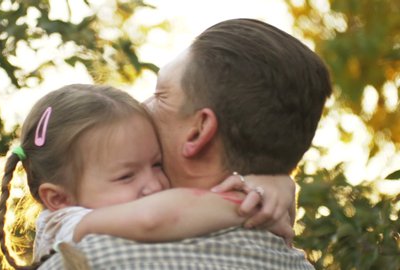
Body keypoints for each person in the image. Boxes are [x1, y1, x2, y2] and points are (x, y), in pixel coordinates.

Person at [38, 18, 332, 269]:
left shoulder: (93, 257)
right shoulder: (294, 260)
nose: (142, 105)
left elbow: (153, 218)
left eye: (160, 94)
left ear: (198, 131)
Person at [0, 84, 290, 270]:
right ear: (58, 198)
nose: (153, 185)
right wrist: (246, 206)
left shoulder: (103, 205)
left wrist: (275, 185)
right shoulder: (64, 223)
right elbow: (155, 218)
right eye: (126, 176)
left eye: (157, 164)